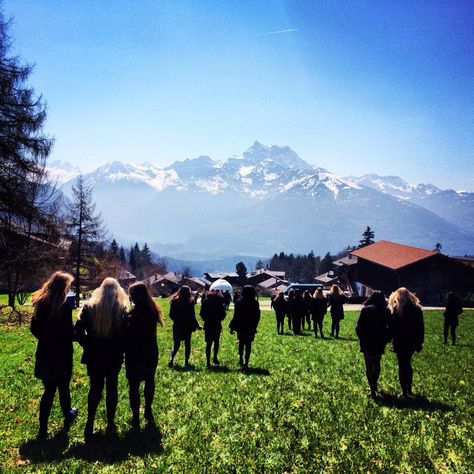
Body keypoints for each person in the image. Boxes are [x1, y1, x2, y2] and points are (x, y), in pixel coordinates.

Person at [75, 277, 128, 440]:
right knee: (112, 387)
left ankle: (89, 422)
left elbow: (77, 332)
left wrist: (87, 344)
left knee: (95, 388)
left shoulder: (89, 307)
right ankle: (110, 423)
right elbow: (125, 335)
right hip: (113, 355)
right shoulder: (120, 309)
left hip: (94, 355)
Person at [30, 271, 78, 440]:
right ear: (63, 287)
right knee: (64, 387)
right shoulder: (64, 306)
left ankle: (43, 429)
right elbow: (68, 332)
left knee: (49, 390)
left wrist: (46, 339)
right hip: (63, 353)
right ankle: (68, 414)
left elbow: (34, 328)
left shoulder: (41, 303)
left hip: (45, 352)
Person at [123, 282, 163, 428]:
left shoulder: (131, 316)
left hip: (134, 353)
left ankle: (135, 417)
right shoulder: (153, 311)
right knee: (149, 380)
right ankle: (148, 409)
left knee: (134, 386)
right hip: (151, 351)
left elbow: (127, 335)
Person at [388, 287, 424, 399]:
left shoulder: (397, 309)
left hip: (400, 341)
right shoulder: (417, 309)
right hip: (412, 341)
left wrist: (390, 339)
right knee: (407, 364)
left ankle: (404, 391)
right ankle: (409, 390)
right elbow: (420, 328)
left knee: (402, 365)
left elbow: (392, 327)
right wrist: (420, 342)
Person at [355, 291, 391, 398]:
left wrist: (361, 338)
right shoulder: (386, 311)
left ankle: (372, 389)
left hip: (367, 340)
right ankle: (375, 383)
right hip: (379, 340)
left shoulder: (366, 310)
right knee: (377, 363)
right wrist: (387, 339)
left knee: (368, 365)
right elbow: (390, 327)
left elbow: (358, 326)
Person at [168, 285, 200, 367]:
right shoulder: (190, 302)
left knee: (176, 345)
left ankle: (171, 359)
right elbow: (192, 315)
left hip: (177, 325)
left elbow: (171, 314)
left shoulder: (174, 301)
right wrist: (197, 325)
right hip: (187, 326)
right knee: (187, 344)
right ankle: (186, 362)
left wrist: (177, 320)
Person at [229, 285, 260, 369]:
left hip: (241, 327)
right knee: (248, 344)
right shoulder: (255, 303)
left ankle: (240, 359)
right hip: (250, 327)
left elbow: (236, 316)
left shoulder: (239, 303)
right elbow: (257, 316)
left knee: (241, 343)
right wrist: (255, 326)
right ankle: (246, 362)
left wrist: (232, 327)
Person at [200, 289, 226, 367]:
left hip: (208, 324)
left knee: (208, 343)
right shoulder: (219, 302)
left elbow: (202, 313)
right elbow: (223, 314)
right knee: (216, 341)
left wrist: (206, 319)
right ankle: (215, 357)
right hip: (217, 324)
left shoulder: (205, 302)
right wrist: (219, 319)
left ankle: (208, 361)